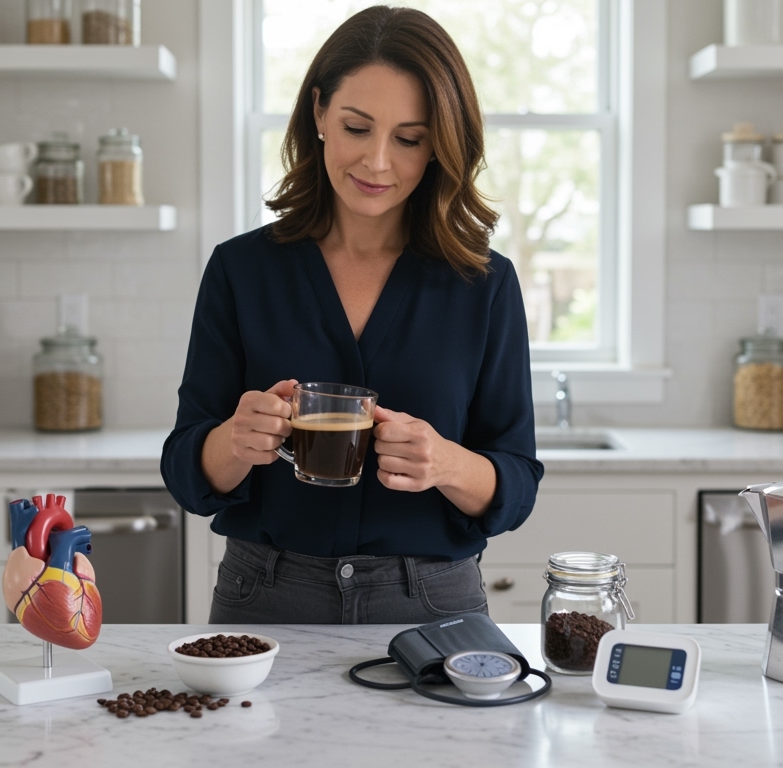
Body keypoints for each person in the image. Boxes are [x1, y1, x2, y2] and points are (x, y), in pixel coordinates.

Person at [161, 5, 541, 624]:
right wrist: (232, 441)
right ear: (318, 114)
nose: (377, 163)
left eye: (410, 139)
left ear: (441, 146)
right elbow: (185, 470)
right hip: (267, 596)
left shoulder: (485, 283)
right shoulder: (241, 270)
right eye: (357, 128)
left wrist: (444, 462)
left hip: (434, 606)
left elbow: (516, 483)